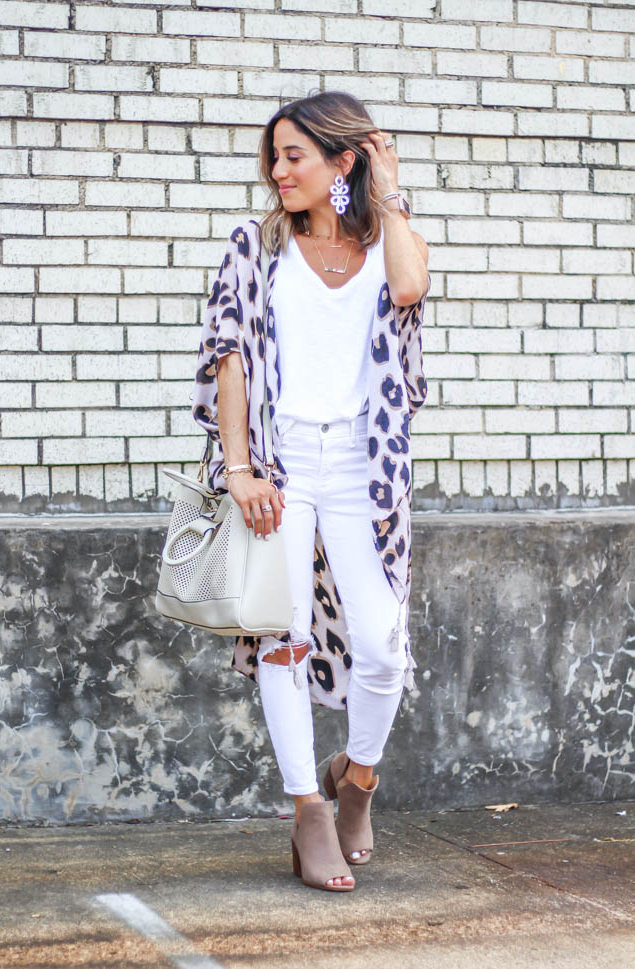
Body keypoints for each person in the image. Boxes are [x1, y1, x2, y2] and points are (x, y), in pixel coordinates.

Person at [192, 91, 430, 893]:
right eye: (275, 156)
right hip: (281, 464)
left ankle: (355, 781)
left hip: (365, 467)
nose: (277, 170)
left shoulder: (380, 239)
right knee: (282, 638)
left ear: (342, 161)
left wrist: (390, 191)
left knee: (384, 644)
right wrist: (241, 470)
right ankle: (307, 808)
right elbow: (229, 359)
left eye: (296, 155)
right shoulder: (256, 247)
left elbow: (407, 288)